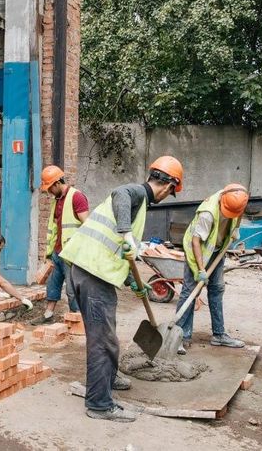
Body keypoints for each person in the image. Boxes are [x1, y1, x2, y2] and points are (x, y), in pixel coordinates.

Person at [60, 156, 184, 423]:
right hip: (93, 275)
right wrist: (127, 233)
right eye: (173, 190)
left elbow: (117, 251)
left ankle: (109, 377)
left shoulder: (139, 205)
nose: (169, 194)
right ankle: (99, 404)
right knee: (102, 341)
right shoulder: (137, 193)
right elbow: (121, 192)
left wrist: (135, 284)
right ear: (169, 185)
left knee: (106, 334)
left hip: (91, 272)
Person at [176, 183, 249, 355]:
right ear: (222, 201)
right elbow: (195, 241)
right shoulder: (207, 213)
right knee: (190, 291)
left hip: (217, 250)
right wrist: (201, 269)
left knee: (216, 289)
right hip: (198, 252)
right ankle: (180, 336)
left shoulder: (238, 198)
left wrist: (235, 229)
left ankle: (219, 334)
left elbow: (239, 213)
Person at [32, 165, 89, 325]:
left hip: (71, 254)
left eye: (50, 188)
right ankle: (48, 315)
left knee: (72, 290)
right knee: (53, 285)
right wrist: (49, 254)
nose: (48, 191)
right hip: (57, 253)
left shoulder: (76, 197)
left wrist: (79, 251)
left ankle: (76, 319)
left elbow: (87, 226)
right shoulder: (56, 200)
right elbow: (54, 228)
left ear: (57, 183)